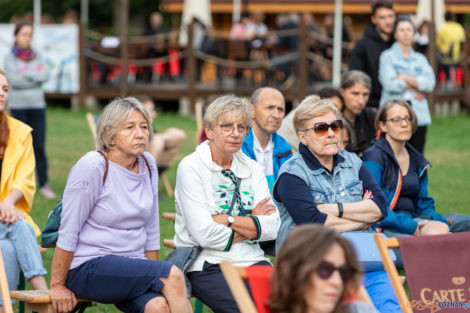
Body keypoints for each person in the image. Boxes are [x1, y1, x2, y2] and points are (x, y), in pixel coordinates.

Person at [50, 98, 192, 313]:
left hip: (131, 266)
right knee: (172, 275)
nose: (140, 133)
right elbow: (69, 228)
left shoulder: (148, 163)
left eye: (144, 127)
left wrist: (152, 275)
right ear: (111, 136)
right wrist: (57, 285)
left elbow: (151, 228)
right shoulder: (93, 165)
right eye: (129, 127)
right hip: (88, 266)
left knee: (158, 306)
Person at [273, 95, 402, 313]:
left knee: (391, 309)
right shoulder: (292, 174)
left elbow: (380, 208)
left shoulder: (353, 162)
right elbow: (313, 225)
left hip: (364, 257)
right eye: (321, 128)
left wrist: (336, 210)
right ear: (303, 137)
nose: (332, 133)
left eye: (336, 125)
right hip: (314, 265)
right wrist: (362, 217)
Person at [174, 95, 280, 313]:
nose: (235, 133)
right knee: (245, 310)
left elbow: (273, 227)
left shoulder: (252, 168)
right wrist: (252, 222)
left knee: (292, 305)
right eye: (226, 126)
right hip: (208, 263)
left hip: (254, 260)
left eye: (242, 127)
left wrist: (227, 220)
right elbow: (204, 235)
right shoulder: (191, 167)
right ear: (210, 131)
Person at [363, 99, 450, 238]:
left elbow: (423, 204)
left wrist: (442, 222)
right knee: (439, 233)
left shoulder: (416, 159)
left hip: (414, 219)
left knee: (462, 223)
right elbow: (375, 205)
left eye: (407, 119)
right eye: (396, 120)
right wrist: (410, 226)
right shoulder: (374, 156)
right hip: (385, 224)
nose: (404, 124)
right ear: (383, 125)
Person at [0, 69, 48, 312]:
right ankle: (42, 296)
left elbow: (26, 179)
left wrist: (7, 203)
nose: (1, 93)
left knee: (8, 246)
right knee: (19, 227)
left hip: (6, 217)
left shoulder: (19, 132)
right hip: (8, 219)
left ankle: (5, 307)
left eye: (5, 89)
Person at [268, 224, 377, 313]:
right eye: (324, 269)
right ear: (290, 272)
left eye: (344, 272)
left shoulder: (358, 310)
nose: (337, 282)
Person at [4, 21, 55, 198]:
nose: (27, 38)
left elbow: (45, 74)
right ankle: (15, 185)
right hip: (17, 108)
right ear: (16, 36)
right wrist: (34, 76)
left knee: (39, 146)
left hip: (37, 107)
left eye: (29, 34)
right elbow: (13, 81)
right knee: (16, 147)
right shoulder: (9, 57)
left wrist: (24, 74)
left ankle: (44, 184)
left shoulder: (38, 55)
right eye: (24, 34)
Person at [379, 15, 435, 154]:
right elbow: (389, 83)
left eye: (409, 29)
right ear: (395, 34)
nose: (406, 33)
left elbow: (430, 83)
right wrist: (417, 84)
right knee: (392, 158)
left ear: (414, 33)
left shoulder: (420, 58)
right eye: (402, 30)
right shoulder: (387, 56)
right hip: (393, 116)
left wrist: (405, 78)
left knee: (416, 158)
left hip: (419, 116)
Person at [242, 87, 292, 191]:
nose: (276, 115)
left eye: (280, 109)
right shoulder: (237, 146)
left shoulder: (285, 150)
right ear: (251, 110)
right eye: (269, 108)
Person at [348, 0, 395, 109]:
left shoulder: (399, 43)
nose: (388, 21)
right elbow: (356, 76)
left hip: (398, 103)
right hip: (372, 106)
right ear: (374, 19)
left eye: (390, 16)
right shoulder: (362, 45)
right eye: (382, 17)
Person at [278, 86, 344, 153]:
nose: (331, 134)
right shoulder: (300, 120)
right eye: (321, 129)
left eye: (335, 127)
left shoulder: (350, 158)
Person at [137, 95, 186, 168]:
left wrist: (161, 138)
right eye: (152, 109)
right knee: (158, 141)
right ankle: (148, 174)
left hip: (155, 161)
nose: (155, 114)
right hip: (138, 163)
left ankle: (151, 172)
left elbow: (181, 136)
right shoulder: (135, 129)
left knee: (174, 135)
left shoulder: (149, 127)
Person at [340, 70, 376, 156]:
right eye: (355, 93)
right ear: (342, 92)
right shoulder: (333, 119)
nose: (361, 101)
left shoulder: (371, 117)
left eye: (365, 94)